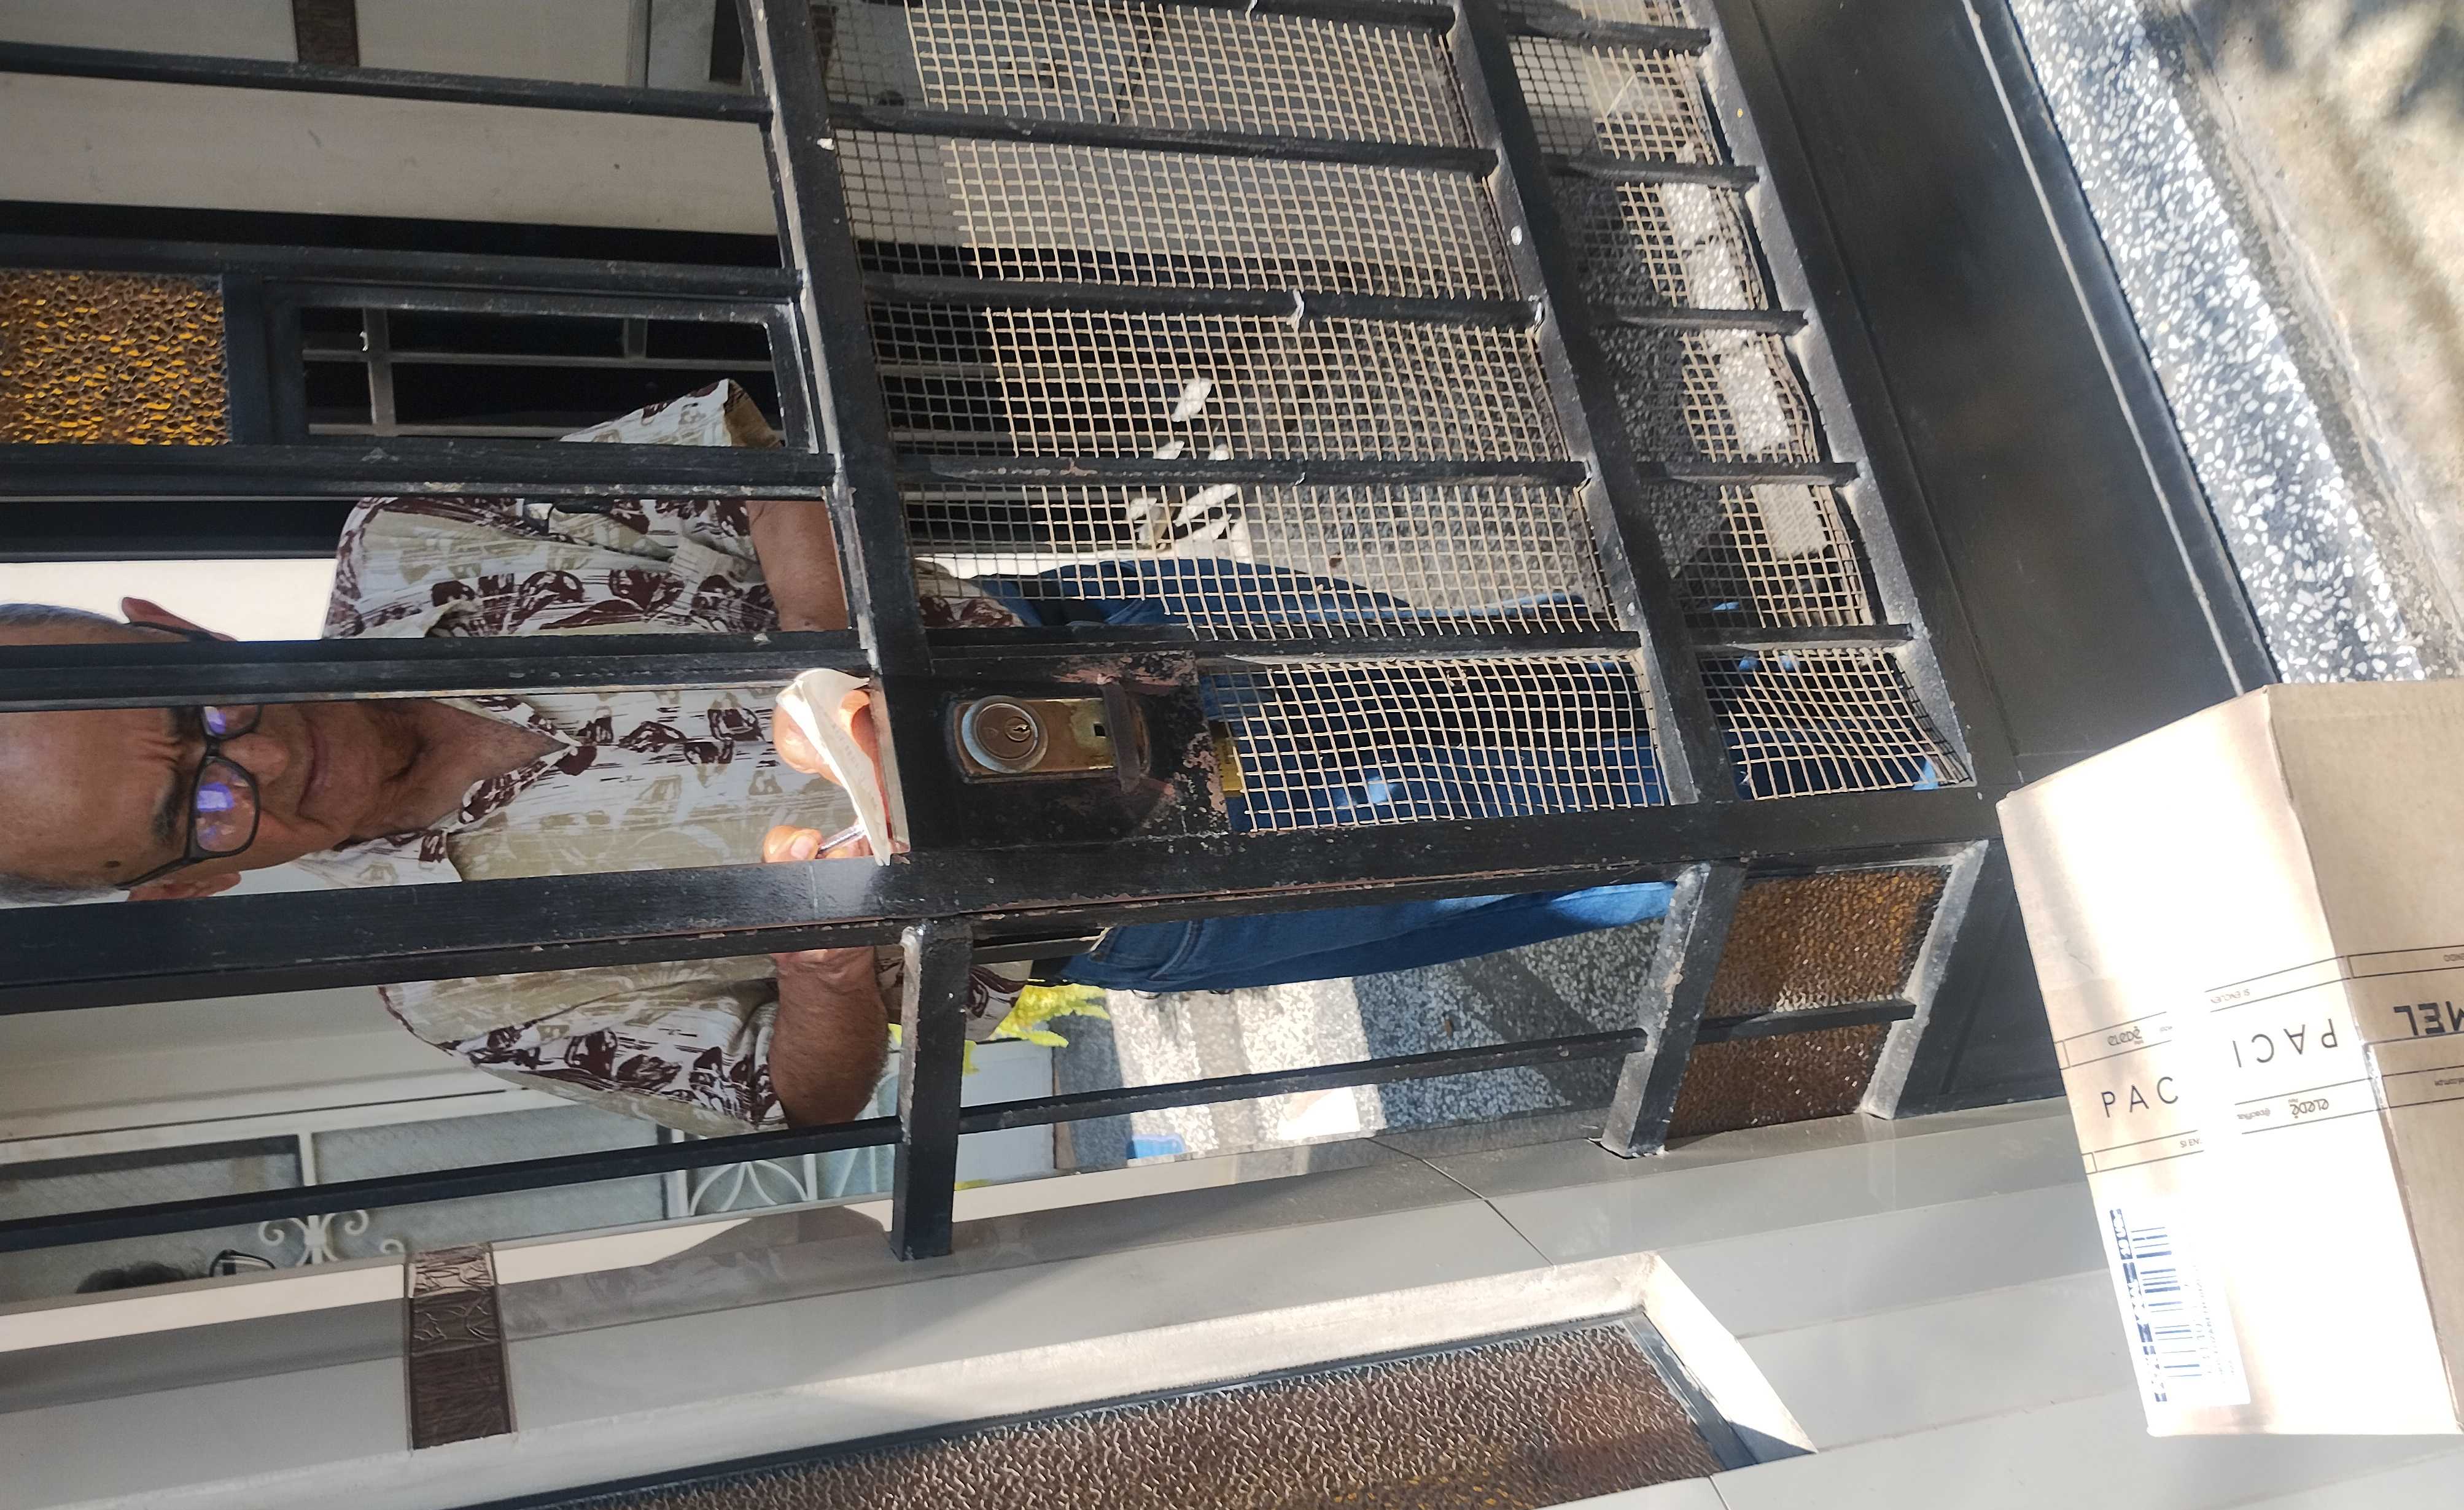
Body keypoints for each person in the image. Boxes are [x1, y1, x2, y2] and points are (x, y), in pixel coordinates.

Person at [0, 384, 1668, 1139]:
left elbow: (741, 446)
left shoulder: (413, 538)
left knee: (1550, 662)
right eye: (197, 801)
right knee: (1623, 840)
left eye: (194, 707)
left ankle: (1758, 629)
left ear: (172, 625)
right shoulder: (452, 987)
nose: (254, 754)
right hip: (1130, 894)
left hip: (1096, 644)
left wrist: (819, 648)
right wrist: (821, 961)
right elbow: (793, 1098)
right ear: (187, 885)